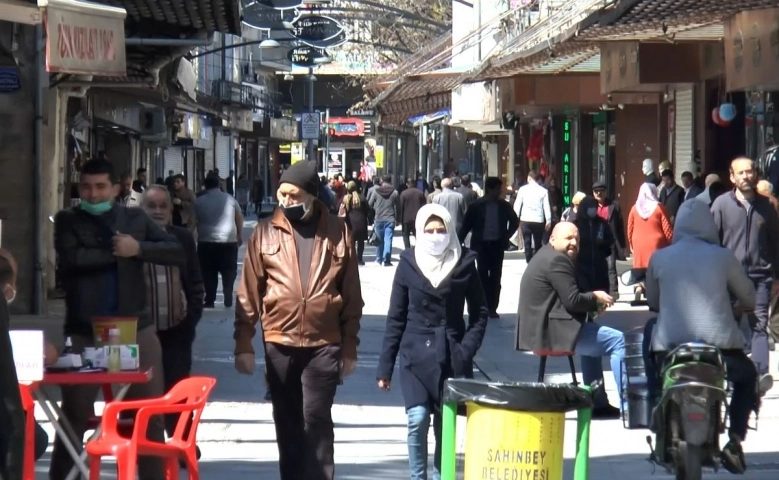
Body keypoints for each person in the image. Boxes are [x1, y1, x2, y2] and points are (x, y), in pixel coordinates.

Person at [52, 159, 184, 480]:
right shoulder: (68, 220)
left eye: (100, 187)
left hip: (134, 327)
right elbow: (73, 259)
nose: (93, 194)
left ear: (116, 188)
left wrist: (137, 247)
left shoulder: (134, 218)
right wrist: (117, 251)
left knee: (148, 416)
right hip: (85, 330)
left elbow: (175, 250)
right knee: (75, 414)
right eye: (86, 187)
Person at [234, 160, 363, 480]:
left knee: (316, 418)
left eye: (293, 195)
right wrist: (243, 342)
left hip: (325, 342)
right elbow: (249, 291)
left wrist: (349, 347)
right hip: (279, 341)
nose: (285, 201)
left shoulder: (337, 230)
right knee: (287, 420)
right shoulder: (264, 232)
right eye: (281, 195)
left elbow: (351, 295)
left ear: (310, 195)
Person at [642, 199, 762, 474]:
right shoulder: (723, 256)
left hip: (671, 351)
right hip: (719, 353)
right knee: (746, 378)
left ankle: (655, 396)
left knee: (650, 330)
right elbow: (749, 297)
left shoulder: (660, 257)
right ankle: (734, 439)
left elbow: (654, 301)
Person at [377, 204, 488, 480]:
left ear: (450, 231)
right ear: (419, 231)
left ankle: (442, 475)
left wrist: (466, 350)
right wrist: (385, 367)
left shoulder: (464, 263)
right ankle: (418, 476)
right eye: (430, 230)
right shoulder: (408, 263)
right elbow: (396, 317)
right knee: (417, 419)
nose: (436, 235)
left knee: (444, 425)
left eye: (441, 230)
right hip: (414, 355)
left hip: (450, 354)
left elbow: (480, 313)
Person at [515, 222, 624, 418]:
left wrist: (591, 308)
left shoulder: (546, 255)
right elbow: (573, 300)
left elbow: (564, 299)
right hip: (550, 332)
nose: (573, 243)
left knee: (594, 334)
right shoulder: (557, 260)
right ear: (553, 239)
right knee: (619, 341)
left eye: (577, 239)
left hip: (541, 329)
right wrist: (595, 297)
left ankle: (597, 403)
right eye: (568, 239)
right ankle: (630, 407)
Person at [141, 186, 205, 461]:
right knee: (146, 390)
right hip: (144, 332)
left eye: (162, 206)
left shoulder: (181, 238)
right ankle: (147, 445)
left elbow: (195, 279)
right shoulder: (132, 241)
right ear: (141, 210)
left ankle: (181, 443)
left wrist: (192, 318)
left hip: (178, 328)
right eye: (151, 206)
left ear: (170, 210)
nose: (157, 211)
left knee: (178, 387)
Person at [711, 157, 779, 378]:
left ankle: (760, 376)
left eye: (749, 172)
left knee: (759, 325)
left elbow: (775, 242)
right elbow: (713, 241)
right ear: (732, 177)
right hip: (730, 277)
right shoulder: (721, 205)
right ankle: (729, 373)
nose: (746, 176)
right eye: (740, 173)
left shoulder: (767, 205)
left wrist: (776, 276)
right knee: (729, 326)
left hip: (760, 277)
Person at [459, 177, 519, 319]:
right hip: (481, 246)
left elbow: (515, 221)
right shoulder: (476, 206)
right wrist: (458, 242)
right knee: (482, 276)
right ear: (490, 189)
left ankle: (493, 307)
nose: (500, 191)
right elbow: (466, 226)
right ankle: (483, 306)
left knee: (496, 277)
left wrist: (506, 235)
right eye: (498, 189)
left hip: (497, 245)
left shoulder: (504, 206)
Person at [194, 175, 243, 308]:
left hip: (206, 241)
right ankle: (228, 290)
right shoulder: (230, 199)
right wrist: (239, 234)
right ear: (219, 185)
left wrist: (191, 239)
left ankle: (210, 299)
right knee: (229, 269)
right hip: (228, 241)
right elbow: (239, 217)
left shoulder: (199, 201)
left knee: (208, 272)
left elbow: (192, 222)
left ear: (205, 185)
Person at [627, 183, 673, 302]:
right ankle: (655, 292)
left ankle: (638, 287)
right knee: (655, 270)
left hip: (638, 243)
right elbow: (667, 229)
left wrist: (632, 245)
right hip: (656, 245)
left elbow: (630, 228)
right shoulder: (659, 208)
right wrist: (672, 243)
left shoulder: (634, 208)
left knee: (640, 269)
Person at [573, 196, 618, 298]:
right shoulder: (576, 225)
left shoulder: (602, 224)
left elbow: (610, 243)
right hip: (582, 267)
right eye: (590, 207)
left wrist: (602, 244)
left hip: (599, 268)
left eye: (594, 206)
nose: (593, 209)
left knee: (600, 299)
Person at [592, 181, 627, 295]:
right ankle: (599, 290)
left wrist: (622, 244)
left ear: (605, 192)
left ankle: (613, 291)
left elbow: (620, 226)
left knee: (611, 266)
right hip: (596, 241)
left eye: (601, 191)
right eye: (596, 192)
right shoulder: (591, 206)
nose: (599, 194)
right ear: (593, 193)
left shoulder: (614, 205)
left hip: (610, 240)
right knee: (597, 267)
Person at [513, 170, 552, 262]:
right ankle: (536, 260)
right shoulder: (543, 191)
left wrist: (515, 218)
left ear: (529, 178)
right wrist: (548, 220)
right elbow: (546, 206)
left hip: (525, 219)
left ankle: (528, 260)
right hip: (538, 220)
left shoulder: (522, 190)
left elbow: (517, 205)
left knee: (527, 241)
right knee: (538, 242)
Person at [368, 175, 399, 266]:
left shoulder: (376, 191)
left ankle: (378, 259)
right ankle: (387, 260)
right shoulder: (395, 192)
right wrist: (398, 219)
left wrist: (376, 208)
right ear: (390, 181)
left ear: (382, 181)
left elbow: (369, 203)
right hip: (390, 218)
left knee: (379, 240)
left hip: (379, 218)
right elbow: (398, 207)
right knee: (388, 239)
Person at [341, 181, 368, 265]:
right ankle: (359, 258)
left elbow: (336, 208)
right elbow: (367, 210)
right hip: (361, 223)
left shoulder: (345, 199)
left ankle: (351, 259)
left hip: (350, 224)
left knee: (350, 242)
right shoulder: (362, 198)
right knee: (361, 242)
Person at [399, 177, 427, 249]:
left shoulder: (403, 193)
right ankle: (418, 247)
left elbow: (401, 207)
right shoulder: (420, 193)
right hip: (417, 218)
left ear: (407, 184)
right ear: (414, 184)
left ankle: (407, 249)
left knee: (405, 235)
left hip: (406, 218)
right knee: (417, 234)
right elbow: (424, 206)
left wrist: (399, 219)